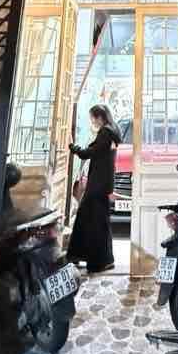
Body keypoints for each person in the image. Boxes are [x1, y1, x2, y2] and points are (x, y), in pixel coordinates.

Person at [66, 104, 121, 275]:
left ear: (100, 117)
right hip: (103, 184)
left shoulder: (105, 133)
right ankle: (93, 258)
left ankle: (98, 261)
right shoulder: (113, 131)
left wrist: (73, 147)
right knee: (96, 221)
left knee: (93, 222)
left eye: (93, 118)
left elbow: (89, 152)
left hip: (98, 184)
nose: (93, 122)